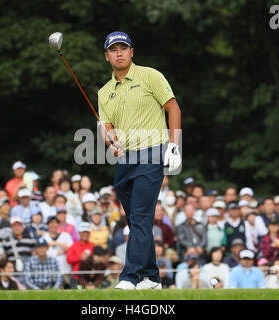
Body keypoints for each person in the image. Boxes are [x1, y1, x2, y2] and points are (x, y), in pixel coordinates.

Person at [98, 31, 182, 290]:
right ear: (107, 56)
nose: (119, 53)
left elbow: (173, 108)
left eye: (124, 48)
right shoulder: (104, 92)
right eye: (114, 50)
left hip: (151, 154)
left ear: (132, 52)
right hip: (125, 161)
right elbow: (107, 127)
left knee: (142, 216)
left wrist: (174, 147)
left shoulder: (150, 76)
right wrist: (110, 141)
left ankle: (129, 276)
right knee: (135, 220)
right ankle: (151, 277)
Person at [42, 216, 73, 288]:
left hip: (65, 270)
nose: (54, 225)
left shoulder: (65, 235)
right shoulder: (44, 237)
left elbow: (71, 249)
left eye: (56, 223)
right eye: (51, 223)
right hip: (49, 271)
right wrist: (60, 252)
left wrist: (57, 243)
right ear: (47, 225)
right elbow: (42, 253)